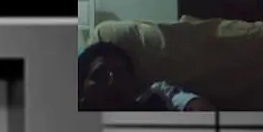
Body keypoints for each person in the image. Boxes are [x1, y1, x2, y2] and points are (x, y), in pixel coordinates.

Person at [78, 42, 215, 111]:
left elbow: (189, 104)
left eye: (120, 74)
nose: (112, 81)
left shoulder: (157, 96)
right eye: (100, 75)